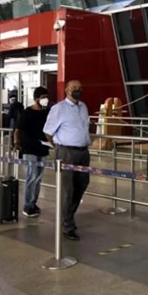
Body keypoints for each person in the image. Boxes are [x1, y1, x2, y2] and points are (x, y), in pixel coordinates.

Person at [44, 80, 91, 241]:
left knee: (82, 185)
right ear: (66, 90)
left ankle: (68, 216)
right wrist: (59, 148)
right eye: (74, 88)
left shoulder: (83, 107)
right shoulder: (59, 109)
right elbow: (48, 132)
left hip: (83, 153)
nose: (77, 91)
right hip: (66, 153)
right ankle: (67, 225)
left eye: (80, 88)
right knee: (67, 190)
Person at [14, 87, 51, 218]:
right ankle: (28, 205)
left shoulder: (46, 113)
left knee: (38, 178)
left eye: (47, 96)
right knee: (31, 176)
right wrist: (17, 143)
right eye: (43, 97)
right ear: (36, 99)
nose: (46, 100)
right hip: (29, 148)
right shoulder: (27, 112)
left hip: (42, 148)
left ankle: (33, 202)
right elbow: (18, 129)